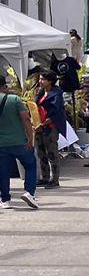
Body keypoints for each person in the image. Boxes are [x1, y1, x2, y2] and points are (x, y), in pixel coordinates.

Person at [0, 73, 39, 210]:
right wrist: (30, 138)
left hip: (1, 145)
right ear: (4, 86)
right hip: (20, 142)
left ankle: (5, 200)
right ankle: (29, 193)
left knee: (3, 171)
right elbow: (26, 120)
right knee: (30, 165)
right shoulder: (14, 99)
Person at [33, 71, 66, 189]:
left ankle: (55, 179)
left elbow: (56, 113)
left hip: (50, 127)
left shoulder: (56, 94)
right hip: (39, 126)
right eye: (40, 79)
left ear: (50, 81)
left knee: (52, 153)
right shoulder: (41, 92)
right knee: (41, 152)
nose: (40, 81)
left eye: (43, 79)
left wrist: (43, 123)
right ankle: (45, 177)